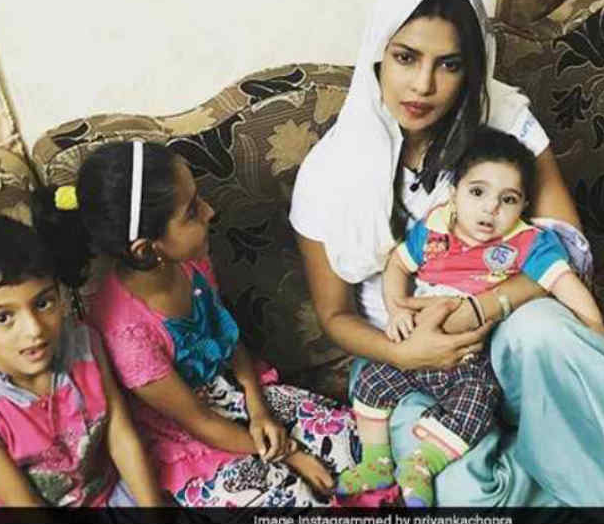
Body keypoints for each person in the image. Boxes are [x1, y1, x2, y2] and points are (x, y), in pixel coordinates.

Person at [291, 0, 604, 506]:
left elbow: (563, 245)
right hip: (404, 359)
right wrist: (407, 353)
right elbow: (335, 316)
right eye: (406, 58)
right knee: (465, 496)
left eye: (448, 64)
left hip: (516, 341)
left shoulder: (505, 118)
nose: (422, 85)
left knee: (544, 331)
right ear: (378, 54)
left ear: (472, 65)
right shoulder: (327, 173)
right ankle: (593, 433)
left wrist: (485, 307)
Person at [32, 141, 371, 508]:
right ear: (146, 249)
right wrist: (291, 454)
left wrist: (258, 407)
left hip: (239, 394)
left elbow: (230, 340)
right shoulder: (125, 334)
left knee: (353, 443)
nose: (209, 211)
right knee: (296, 500)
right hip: (193, 441)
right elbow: (200, 423)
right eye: (192, 211)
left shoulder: (190, 262)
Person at [340, 127, 604, 506]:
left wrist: (596, 328)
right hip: (417, 347)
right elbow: (397, 264)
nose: (490, 209)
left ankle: (422, 465)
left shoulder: (526, 242)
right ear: (455, 192)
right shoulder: (435, 228)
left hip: (471, 359)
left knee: (477, 404)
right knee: (371, 381)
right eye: (477, 192)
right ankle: (376, 463)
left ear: (523, 205)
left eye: (508, 199)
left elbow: (565, 282)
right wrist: (396, 307)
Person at [0, 217, 163, 507]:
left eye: (43, 303)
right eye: (3, 318)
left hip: (107, 493)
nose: (34, 330)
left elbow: (121, 436)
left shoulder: (85, 348)